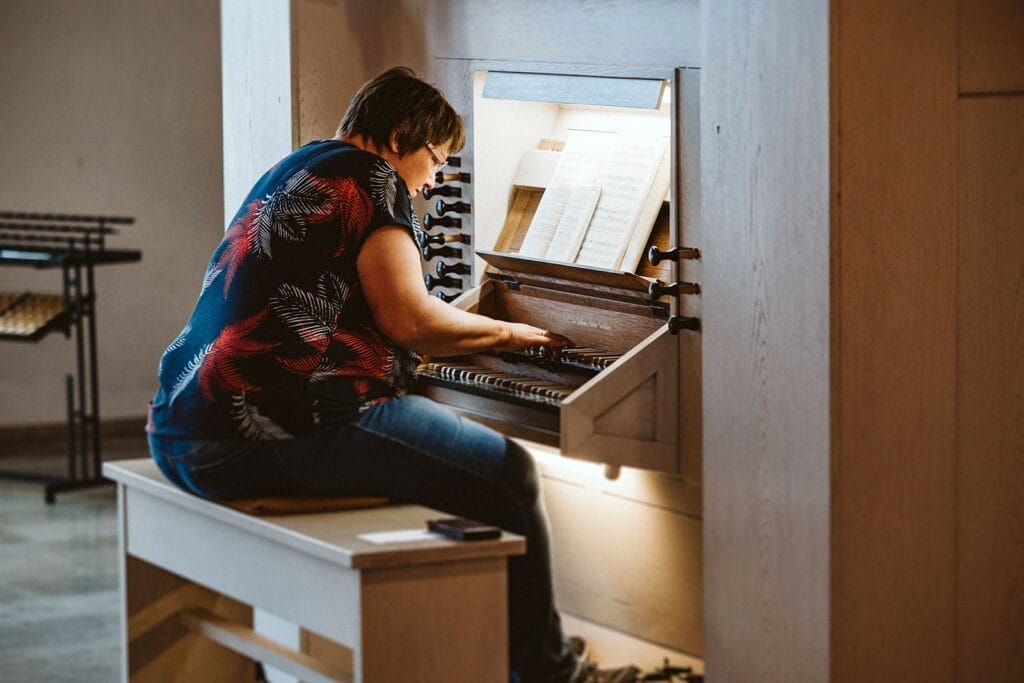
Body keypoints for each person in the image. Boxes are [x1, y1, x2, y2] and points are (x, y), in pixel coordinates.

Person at [146, 67, 593, 683]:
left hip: (181, 424)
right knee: (510, 475)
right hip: (269, 431)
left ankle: (470, 651)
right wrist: (511, 333)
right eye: (436, 160)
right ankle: (549, 674)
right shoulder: (372, 180)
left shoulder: (300, 166)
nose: (432, 182)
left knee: (451, 471)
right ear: (399, 136)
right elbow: (411, 322)